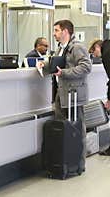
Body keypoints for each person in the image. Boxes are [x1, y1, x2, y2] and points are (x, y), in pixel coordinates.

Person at [38, 19, 92, 170]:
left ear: (65, 31)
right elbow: (58, 65)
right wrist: (45, 65)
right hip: (61, 93)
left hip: (74, 95)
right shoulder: (60, 48)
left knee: (76, 130)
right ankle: (65, 162)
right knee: (64, 129)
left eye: (56, 30)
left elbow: (86, 67)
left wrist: (65, 73)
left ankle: (79, 164)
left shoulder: (77, 47)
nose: (54, 34)